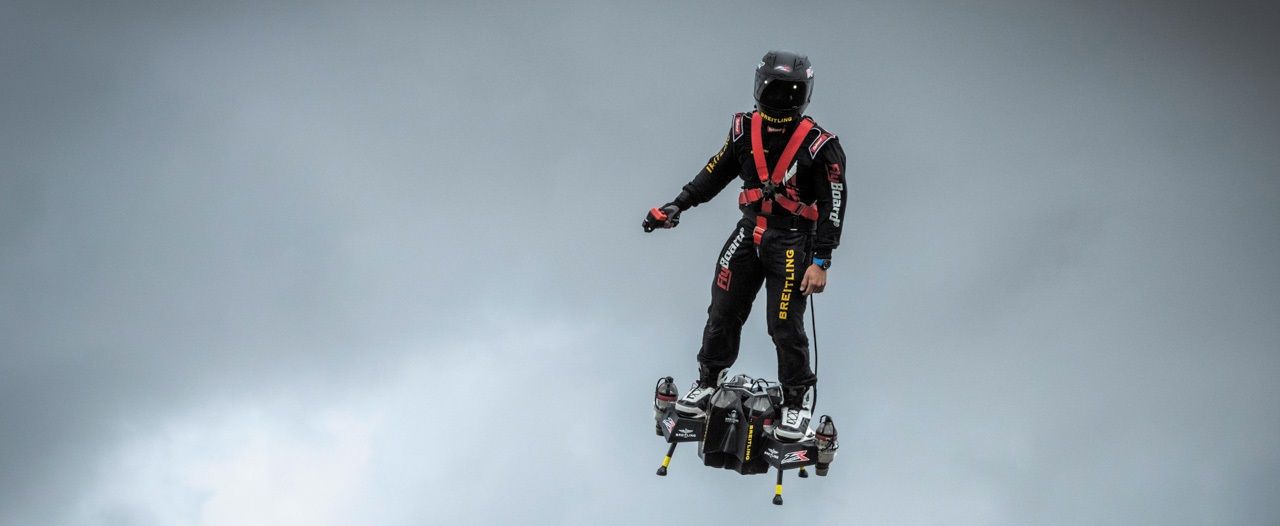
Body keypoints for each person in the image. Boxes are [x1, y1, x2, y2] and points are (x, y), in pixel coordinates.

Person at [642, 50, 847, 441]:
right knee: (722, 311)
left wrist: (821, 261)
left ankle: (797, 400)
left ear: (803, 94)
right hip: (748, 232)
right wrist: (678, 204)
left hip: (792, 242)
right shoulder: (742, 130)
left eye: (789, 92)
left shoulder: (820, 146)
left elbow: (835, 205)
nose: (780, 98)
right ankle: (708, 380)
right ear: (759, 87)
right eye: (773, 89)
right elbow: (714, 172)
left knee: (783, 325)